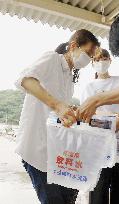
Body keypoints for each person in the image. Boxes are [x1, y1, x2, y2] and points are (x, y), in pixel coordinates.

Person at [14, 29, 99, 204]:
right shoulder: (52, 59)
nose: (89, 59)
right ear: (74, 46)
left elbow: (57, 110)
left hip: (54, 150)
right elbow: (24, 80)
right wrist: (58, 105)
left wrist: (70, 110)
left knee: (69, 197)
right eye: (89, 52)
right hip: (36, 149)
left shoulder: (69, 77)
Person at [80, 48, 119, 204]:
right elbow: (87, 117)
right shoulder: (89, 87)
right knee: (99, 189)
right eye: (97, 59)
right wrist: (111, 120)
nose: (101, 62)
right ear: (92, 63)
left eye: (104, 58)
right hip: (100, 143)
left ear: (110, 60)